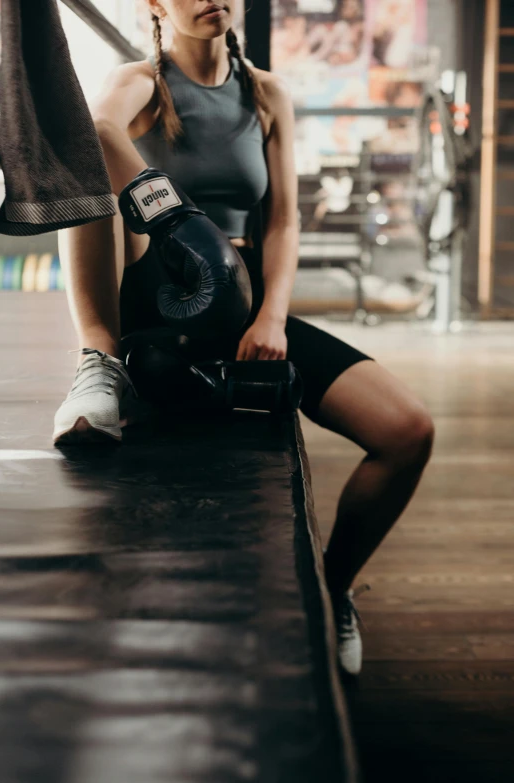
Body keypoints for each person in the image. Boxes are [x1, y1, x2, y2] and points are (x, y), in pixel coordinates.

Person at [53, 0, 434, 676]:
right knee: (85, 166)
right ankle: (97, 359)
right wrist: (163, 205)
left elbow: (283, 222)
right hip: (159, 288)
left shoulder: (266, 94)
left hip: (243, 298)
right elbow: (96, 123)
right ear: (155, 5)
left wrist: (270, 317)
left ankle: (334, 586)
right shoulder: (142, 82)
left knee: (406, 430)